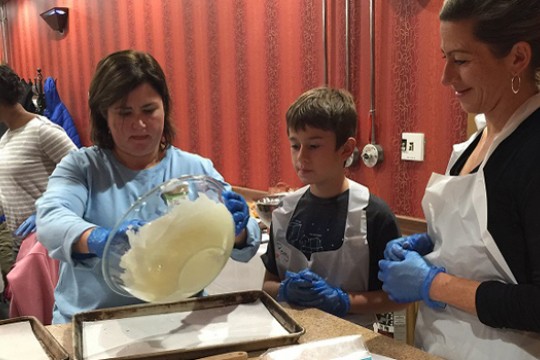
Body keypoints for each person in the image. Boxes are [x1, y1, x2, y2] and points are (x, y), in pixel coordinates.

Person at [35, 50, 261, 324]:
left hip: (180, 320)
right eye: (124, 112)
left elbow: (246, 239)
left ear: (165, 107)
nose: (139, 124)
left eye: (149, 110)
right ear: (103, 114)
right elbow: (50, 219)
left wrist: (236, 229)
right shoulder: (83, 168)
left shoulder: (195, 169)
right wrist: (98, 240)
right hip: (93, 322)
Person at [378, 1, 540, 359]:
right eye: (444, 57)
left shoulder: (532, 150)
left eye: (462, 60)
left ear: (517, 58)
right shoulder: (472, 145)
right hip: (441, 347)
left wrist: (434, 283)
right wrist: (430, 244)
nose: (445, 76)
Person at [261, 87, 405, 327]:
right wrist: (285, 289)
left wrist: (343, 301)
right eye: (295, 145)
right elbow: (268, 284)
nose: (301, 157)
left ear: (346, 149)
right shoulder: (285, 211)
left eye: (314, 146)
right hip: (291, 336)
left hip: (354, 342)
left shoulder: (374, 214)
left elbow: (398, 298)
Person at [0, 65, 77, 250]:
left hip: (50, 245)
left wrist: (45, 214)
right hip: (22, 245)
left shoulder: (42, 131)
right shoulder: (5, 139)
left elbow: (85, 177)